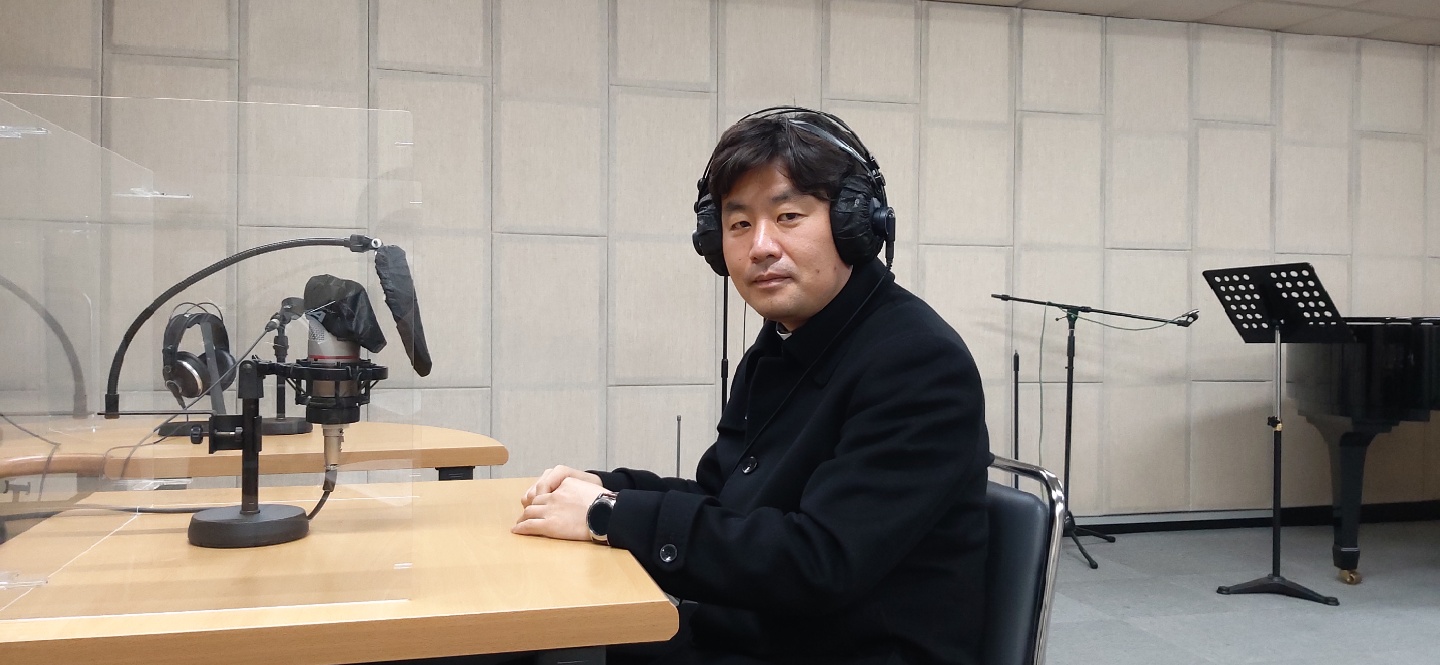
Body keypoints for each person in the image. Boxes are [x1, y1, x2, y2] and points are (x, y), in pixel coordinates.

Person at [513, 107, 991, 665]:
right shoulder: (782, 344)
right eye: (739, 224)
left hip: (848, 650)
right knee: (537, 644)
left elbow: (820, 562)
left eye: (788, 216)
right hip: (763, 632)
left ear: (855, 223)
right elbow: (725, 500)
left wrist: (607, 515)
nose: (760, 246)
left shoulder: (917, 361)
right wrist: (607, 486)